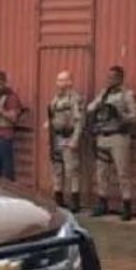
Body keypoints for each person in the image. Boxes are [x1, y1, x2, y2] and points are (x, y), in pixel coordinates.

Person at [87, 66, 136, 221]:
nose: (110, 80)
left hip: (119, 136)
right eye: (108, 77)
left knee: (123, 172)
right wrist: (99, 105)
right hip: (102, 136)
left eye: (114, 77)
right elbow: (90, 108)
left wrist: (119, 112)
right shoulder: (103, 94)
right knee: (102, 172)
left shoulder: (127, 95)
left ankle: (127, 206)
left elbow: (135, 117)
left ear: (121, 79)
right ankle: (102, 203)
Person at [46, 70, 85, 212]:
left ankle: (74, 201)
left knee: (71, 170)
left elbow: (79, 121)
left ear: (70, 82)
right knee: (57, 169)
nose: (59, 83)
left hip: (68, 137)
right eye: (58, 80)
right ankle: (58, 198)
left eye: (63, 80)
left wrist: (75, 140)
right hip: (56, 137)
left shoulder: (75, 99)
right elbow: (54, 116)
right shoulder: (56, 98)